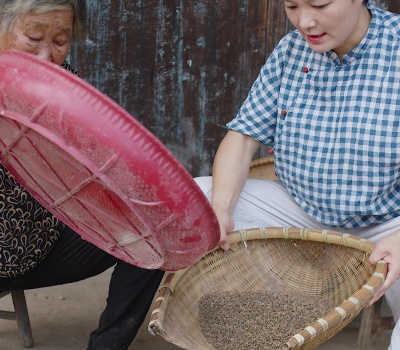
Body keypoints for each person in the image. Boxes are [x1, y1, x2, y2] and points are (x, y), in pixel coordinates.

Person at [195, 0, 400, 348]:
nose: (305, 21)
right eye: (292, 5)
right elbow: (243, 138)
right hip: (301, 207)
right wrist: (222, 207)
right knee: (195, 199)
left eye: (319, 4)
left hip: (388, 222)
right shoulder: (292, 50)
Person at [0, 1, 164, 349]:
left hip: (42, 246)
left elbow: (103, 167)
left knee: (153, 235)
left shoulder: (66, 85)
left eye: (60, 41)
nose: (46, 58)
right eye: (33, 37)